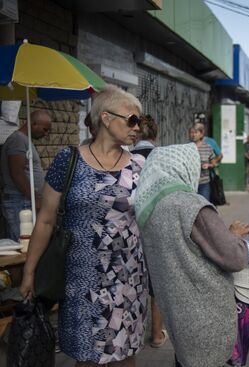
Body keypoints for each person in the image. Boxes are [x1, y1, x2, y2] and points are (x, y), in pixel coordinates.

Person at [20, 85, 147, 367]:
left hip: (128, 279)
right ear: (105, 118)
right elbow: (46, 219)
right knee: (87, 356)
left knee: (124, 356)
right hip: (81, 280)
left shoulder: (139, 165)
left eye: (141, 121)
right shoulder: (69, 160)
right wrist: (29, 271)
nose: (138, 127)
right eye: (132, 119)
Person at [134, 143, 249, 367]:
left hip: (177, 313)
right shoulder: (191, 204)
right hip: (206, 313)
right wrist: (234, 235)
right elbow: (235, 258)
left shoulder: (148, 205)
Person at [129, 114, 167, 348]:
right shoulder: (162, 157)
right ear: (155, 134)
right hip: (155, 225)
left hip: (128, 227)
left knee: (131, 280)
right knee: (157, 281)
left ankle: (131, 332)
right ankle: (156, 334)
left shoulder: (124, 157)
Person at [0, 110, 51, 241]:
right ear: (34, 124)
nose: (46, 134)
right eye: (45, 129)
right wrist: (35, 199)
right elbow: (16, 173)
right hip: (19, 202)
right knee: (23, 244)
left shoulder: (24, 140)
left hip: (24, 201)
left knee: (30, 243)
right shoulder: (18, 140)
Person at [189, 123, 221, 201]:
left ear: (201, 134)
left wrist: (209, 165)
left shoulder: (208, 147)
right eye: (191, 132)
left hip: (204, 183)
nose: (193, 135)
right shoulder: (186, 147)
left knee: (204, 206)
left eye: (196, 132)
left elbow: (214, 163)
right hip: (190, 183)